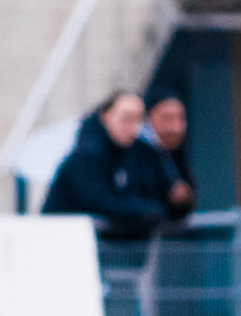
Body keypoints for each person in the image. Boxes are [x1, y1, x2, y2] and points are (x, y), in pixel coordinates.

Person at [41, 90, 168, 237]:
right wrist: (144, 210)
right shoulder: (88, 154)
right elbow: (97, 201)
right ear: (106, 116)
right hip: (66, 242)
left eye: (137, 119)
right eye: (126, 117)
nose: (132, 126)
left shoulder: (134, 151)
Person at [131, 90, 194, 225]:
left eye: (180, 118)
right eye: (167, 118)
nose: (175, 127)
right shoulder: (132, 149)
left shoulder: (176, 151)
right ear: (148, 118)